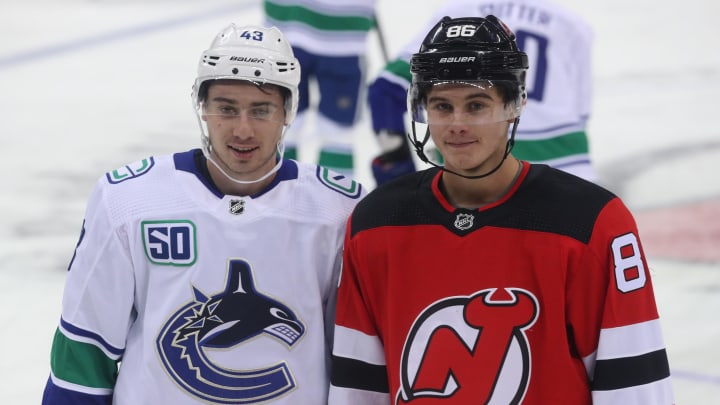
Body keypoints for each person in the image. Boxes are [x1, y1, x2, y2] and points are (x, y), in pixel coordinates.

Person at [329, 15, 674, 404]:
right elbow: (359, 388)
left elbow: (635, 389)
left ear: (515, 104)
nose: (456, 124)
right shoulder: (376, 224)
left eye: (476, 105)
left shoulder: (590, 223)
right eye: (442, 106)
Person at [42, 23, 364, 404]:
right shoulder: (128, 200)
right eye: (226, 108)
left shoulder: (340, 211)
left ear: (287, 112)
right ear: (203, 108)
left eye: (261, 110)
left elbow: (355, 362)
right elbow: (85, 352)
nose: (242, 129)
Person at [369, 0, 595, 186]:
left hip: (477, 177)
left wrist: (401, 176)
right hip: (570, 170)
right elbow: (581, 114)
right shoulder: (573, 24)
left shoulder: (458, 14)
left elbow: (385, 91)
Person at [264, 0, 377, 177]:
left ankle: (334, 199)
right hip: (285, 27)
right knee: (279, 125)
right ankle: (273, 192)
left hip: (343, 35)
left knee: (337, 131)